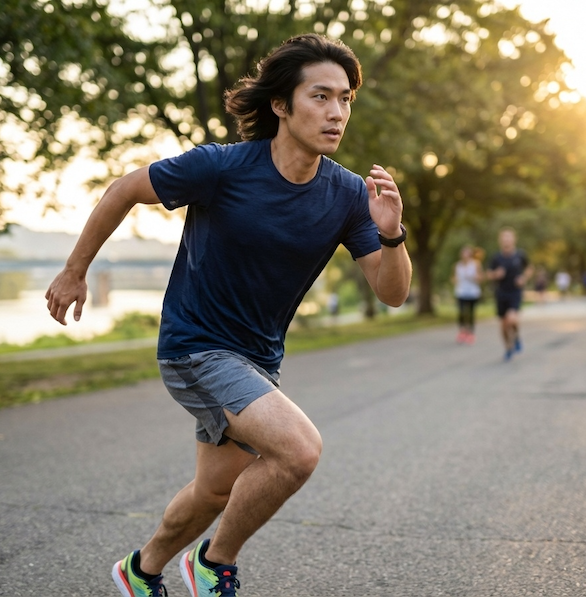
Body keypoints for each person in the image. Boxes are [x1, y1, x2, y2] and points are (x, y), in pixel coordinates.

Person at [45, 34, 411, 597]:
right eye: (320, 96)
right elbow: (124, 189)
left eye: (345, 99)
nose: (337, 112)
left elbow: (391, 293)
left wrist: (391, 235)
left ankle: (140, 572)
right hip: (195, 346)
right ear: (281, 105)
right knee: (298, 449)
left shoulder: (346, 195)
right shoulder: (221, 167)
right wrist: (74, 270)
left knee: (215, 491)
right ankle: (216, 563)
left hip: (258, 358)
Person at [487, 227, 532, 361]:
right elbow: (488, 274)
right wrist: (496, 274)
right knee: (503, 325)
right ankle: (508, 347)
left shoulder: (520, 255)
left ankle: (517, 336)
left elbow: (529, 268)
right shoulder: (496, 257)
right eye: (504, 237)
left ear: (514, 239)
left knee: (512, 319)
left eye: (509, 237)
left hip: (515, 292)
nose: (506, 239)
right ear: (500, 240)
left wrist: (523, 278)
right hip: (501, 292)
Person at [452, 245, 482, 344]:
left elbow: (481, 277)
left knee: (470, 313)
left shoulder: (476, 264)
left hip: (472, 292)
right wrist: (454, 280)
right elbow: (454, 278)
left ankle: (471, 333)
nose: (465, 256)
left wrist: (475, 277)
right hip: (461, 291)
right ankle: (462, 331)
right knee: (461, 312)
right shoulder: (457, 265)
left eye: (467, 254)